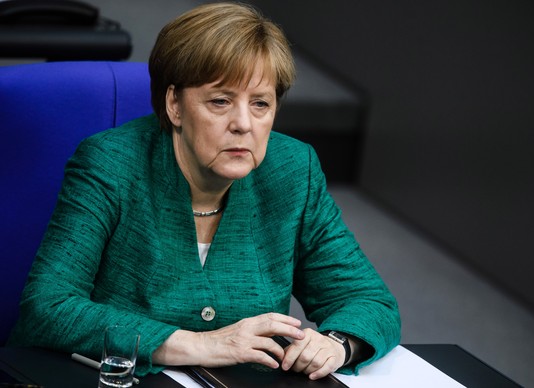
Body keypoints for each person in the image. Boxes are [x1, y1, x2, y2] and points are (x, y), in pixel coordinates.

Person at [9, 2, 400, 380]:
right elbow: (48, 307)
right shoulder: (110, 164)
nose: (243, 124)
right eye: (220, 101)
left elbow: (369, 301)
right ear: (175, 105)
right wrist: (198, 344)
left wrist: (336, 344)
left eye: (261, 104)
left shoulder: (293, 171)